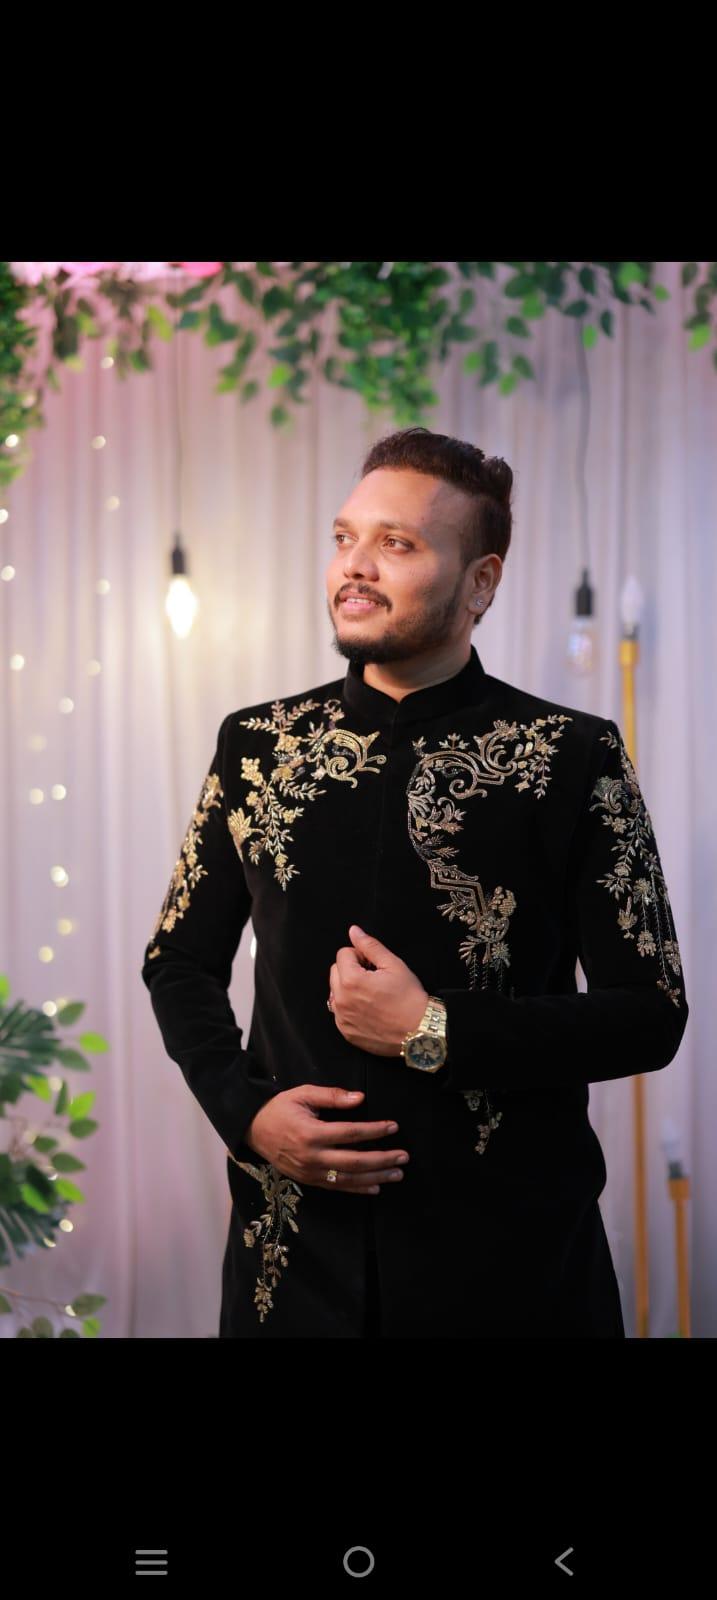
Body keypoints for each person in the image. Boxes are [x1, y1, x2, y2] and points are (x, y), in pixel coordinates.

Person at [141, 427, 689, 1338]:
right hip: (295, 1260)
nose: (354, 567)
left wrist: (433, 1030)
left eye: (396, 543)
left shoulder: (572, 757)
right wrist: (247, 1113)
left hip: (511, 1265)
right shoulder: (257, 748)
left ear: (480, 582)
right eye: (344, 538)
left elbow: (651, 1012)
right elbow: (177, 962)